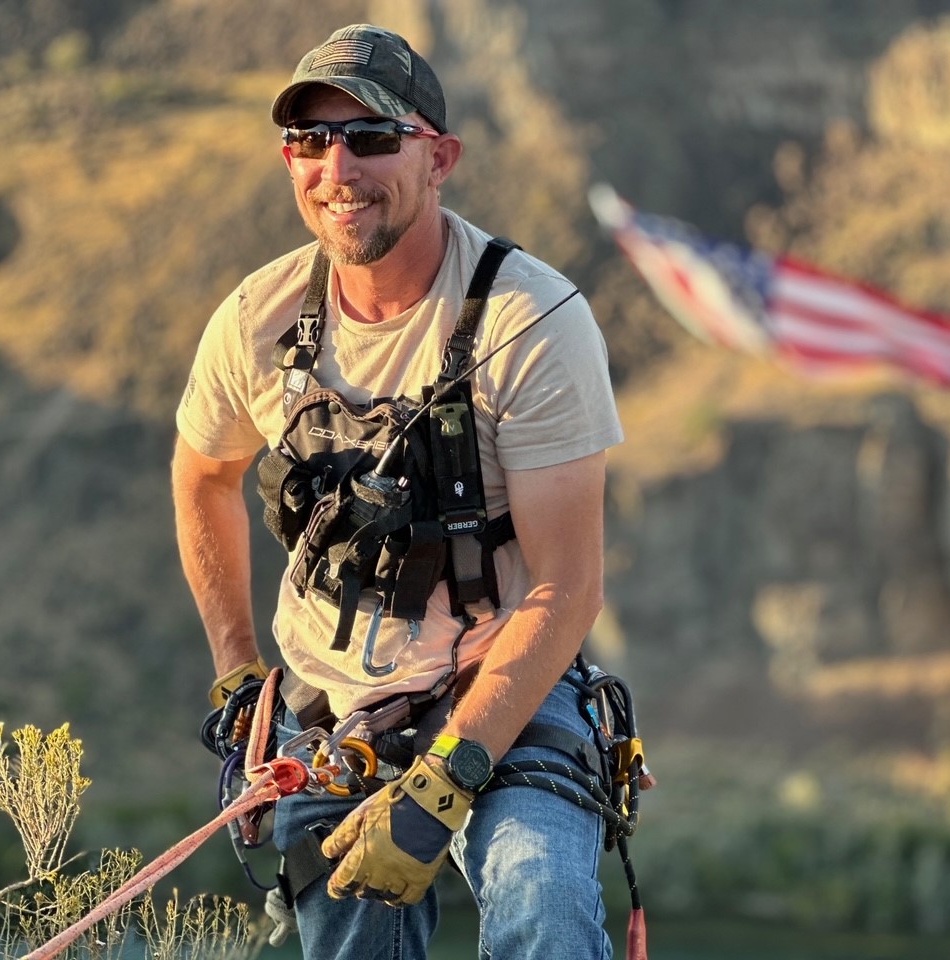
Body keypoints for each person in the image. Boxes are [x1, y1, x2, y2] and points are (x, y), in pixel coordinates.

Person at [172, 22, 624, 960]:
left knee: (541, 904)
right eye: (311, 140)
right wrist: (238, 674)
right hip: (329, 713)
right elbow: (204, 473)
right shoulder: (256, 320)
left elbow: (567, 585)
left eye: (373, 137)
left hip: (503, 685)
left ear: (439, 158)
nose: (338, 168)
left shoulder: (530, 319)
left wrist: (450, 775)